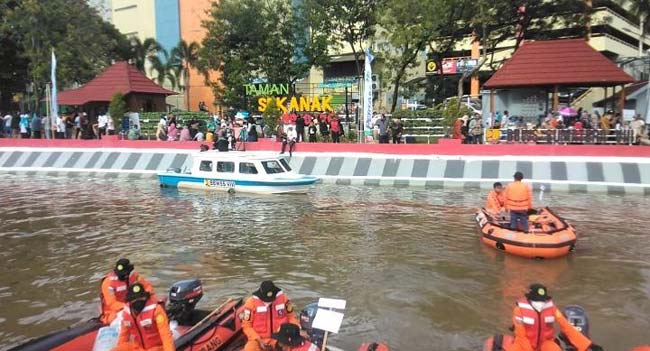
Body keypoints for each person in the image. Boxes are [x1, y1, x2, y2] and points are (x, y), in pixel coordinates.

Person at [506, 284, 601, 351]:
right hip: (524, 344)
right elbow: (521, 335)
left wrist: (589, 344)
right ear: (529, 299)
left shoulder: (551, 308)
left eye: (542, 301)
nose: (540, 304)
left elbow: (566, 326)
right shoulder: (519, 310)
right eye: (537, 301)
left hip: (545, 342)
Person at [113, 283, 174, 351]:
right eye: (135, 299)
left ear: (145, 297)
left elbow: (165, 335)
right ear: (130, 301)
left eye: (141, 298)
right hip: (138, 347)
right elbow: (124, 335)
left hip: (157, 347)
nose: (138, 301)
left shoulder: (156, 310)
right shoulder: (127, 312)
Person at [241, 281, 299, 351]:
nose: (269, 301)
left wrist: (296, 331)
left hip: (281, 338)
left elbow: (291, 317)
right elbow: (247, 326)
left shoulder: (284, 299)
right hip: (259, 339)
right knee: (249, 348)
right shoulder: (251, 303)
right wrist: (259, 340)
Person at [100, 258, 153, 325]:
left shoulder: (134, 276)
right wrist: (130, 306)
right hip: (114, 312)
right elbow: (112, 304)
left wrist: (144, 299)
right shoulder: (108, 283)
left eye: (126, 273)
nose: (124, 276)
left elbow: (148, 287)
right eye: (121, 274)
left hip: (135, 305)